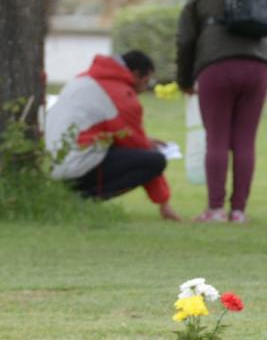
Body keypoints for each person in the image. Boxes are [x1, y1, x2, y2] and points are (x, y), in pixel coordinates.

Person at [176, 0, 267, 223]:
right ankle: (239, 211)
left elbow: (185, 40)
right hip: (258, 69)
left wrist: (184, 80)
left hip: (216, 67)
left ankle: (215, 210)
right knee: (245, 141)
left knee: (217, 139)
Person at [44, 51, 181, 221]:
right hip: (75, 165)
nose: (145, 89)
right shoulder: (121, 94)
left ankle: (65, 195)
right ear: (135, 75)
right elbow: (136, 145)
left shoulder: (83, 79)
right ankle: (81, 197)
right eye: (146, 82)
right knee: (154, 160)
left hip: (52, 163)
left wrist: (146, 141)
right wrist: (163, 201)